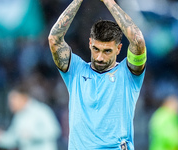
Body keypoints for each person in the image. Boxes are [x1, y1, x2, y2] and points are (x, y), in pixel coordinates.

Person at [48, 0, 146, 149]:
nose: (100, 57)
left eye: (107, 51)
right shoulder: (75, 70)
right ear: (89, 43)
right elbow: (54, 39)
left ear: (119, 49)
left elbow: (137, 40)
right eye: (96, 49)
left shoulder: (128, 74)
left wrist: (108, 2)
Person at [0, 84, 61, 150]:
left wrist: (32, 134)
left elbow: (54, 131)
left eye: (13, 100)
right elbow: (13, 138)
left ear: (23, 98)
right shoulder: (18, 116)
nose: (10, 104)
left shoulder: (41, 110)